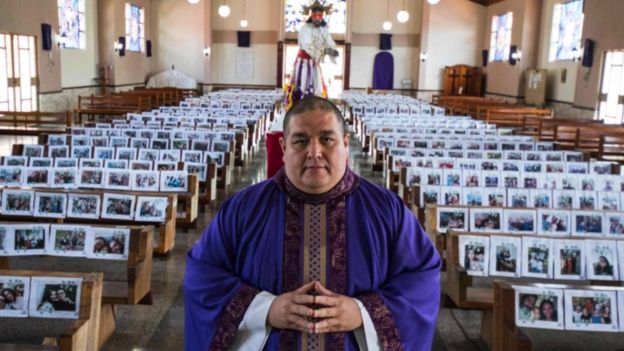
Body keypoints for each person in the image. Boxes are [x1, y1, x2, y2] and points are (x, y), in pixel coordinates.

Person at [184, 96, 441, 350]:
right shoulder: (243, 209)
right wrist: (265, 309)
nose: (314, 152)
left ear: (345, 144)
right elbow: (203, 277)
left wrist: (362, 313)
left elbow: (421, 281)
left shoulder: (387, 210)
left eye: (327, 139)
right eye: (301, 140)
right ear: (284, 148)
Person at [284, 1, 339, 110]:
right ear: (311, 15)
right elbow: (307, 45)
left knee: (317, 86)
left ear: (323, 15)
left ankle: (316, 107)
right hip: (303, 62)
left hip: (314, 62)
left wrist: (333, 51)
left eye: (319, 15)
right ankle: (298, 108)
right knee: (302, 85)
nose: (317, 18)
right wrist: (324, 51)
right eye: (315, 15)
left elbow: (329, 42)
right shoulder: (305, 28)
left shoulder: (324, 29)